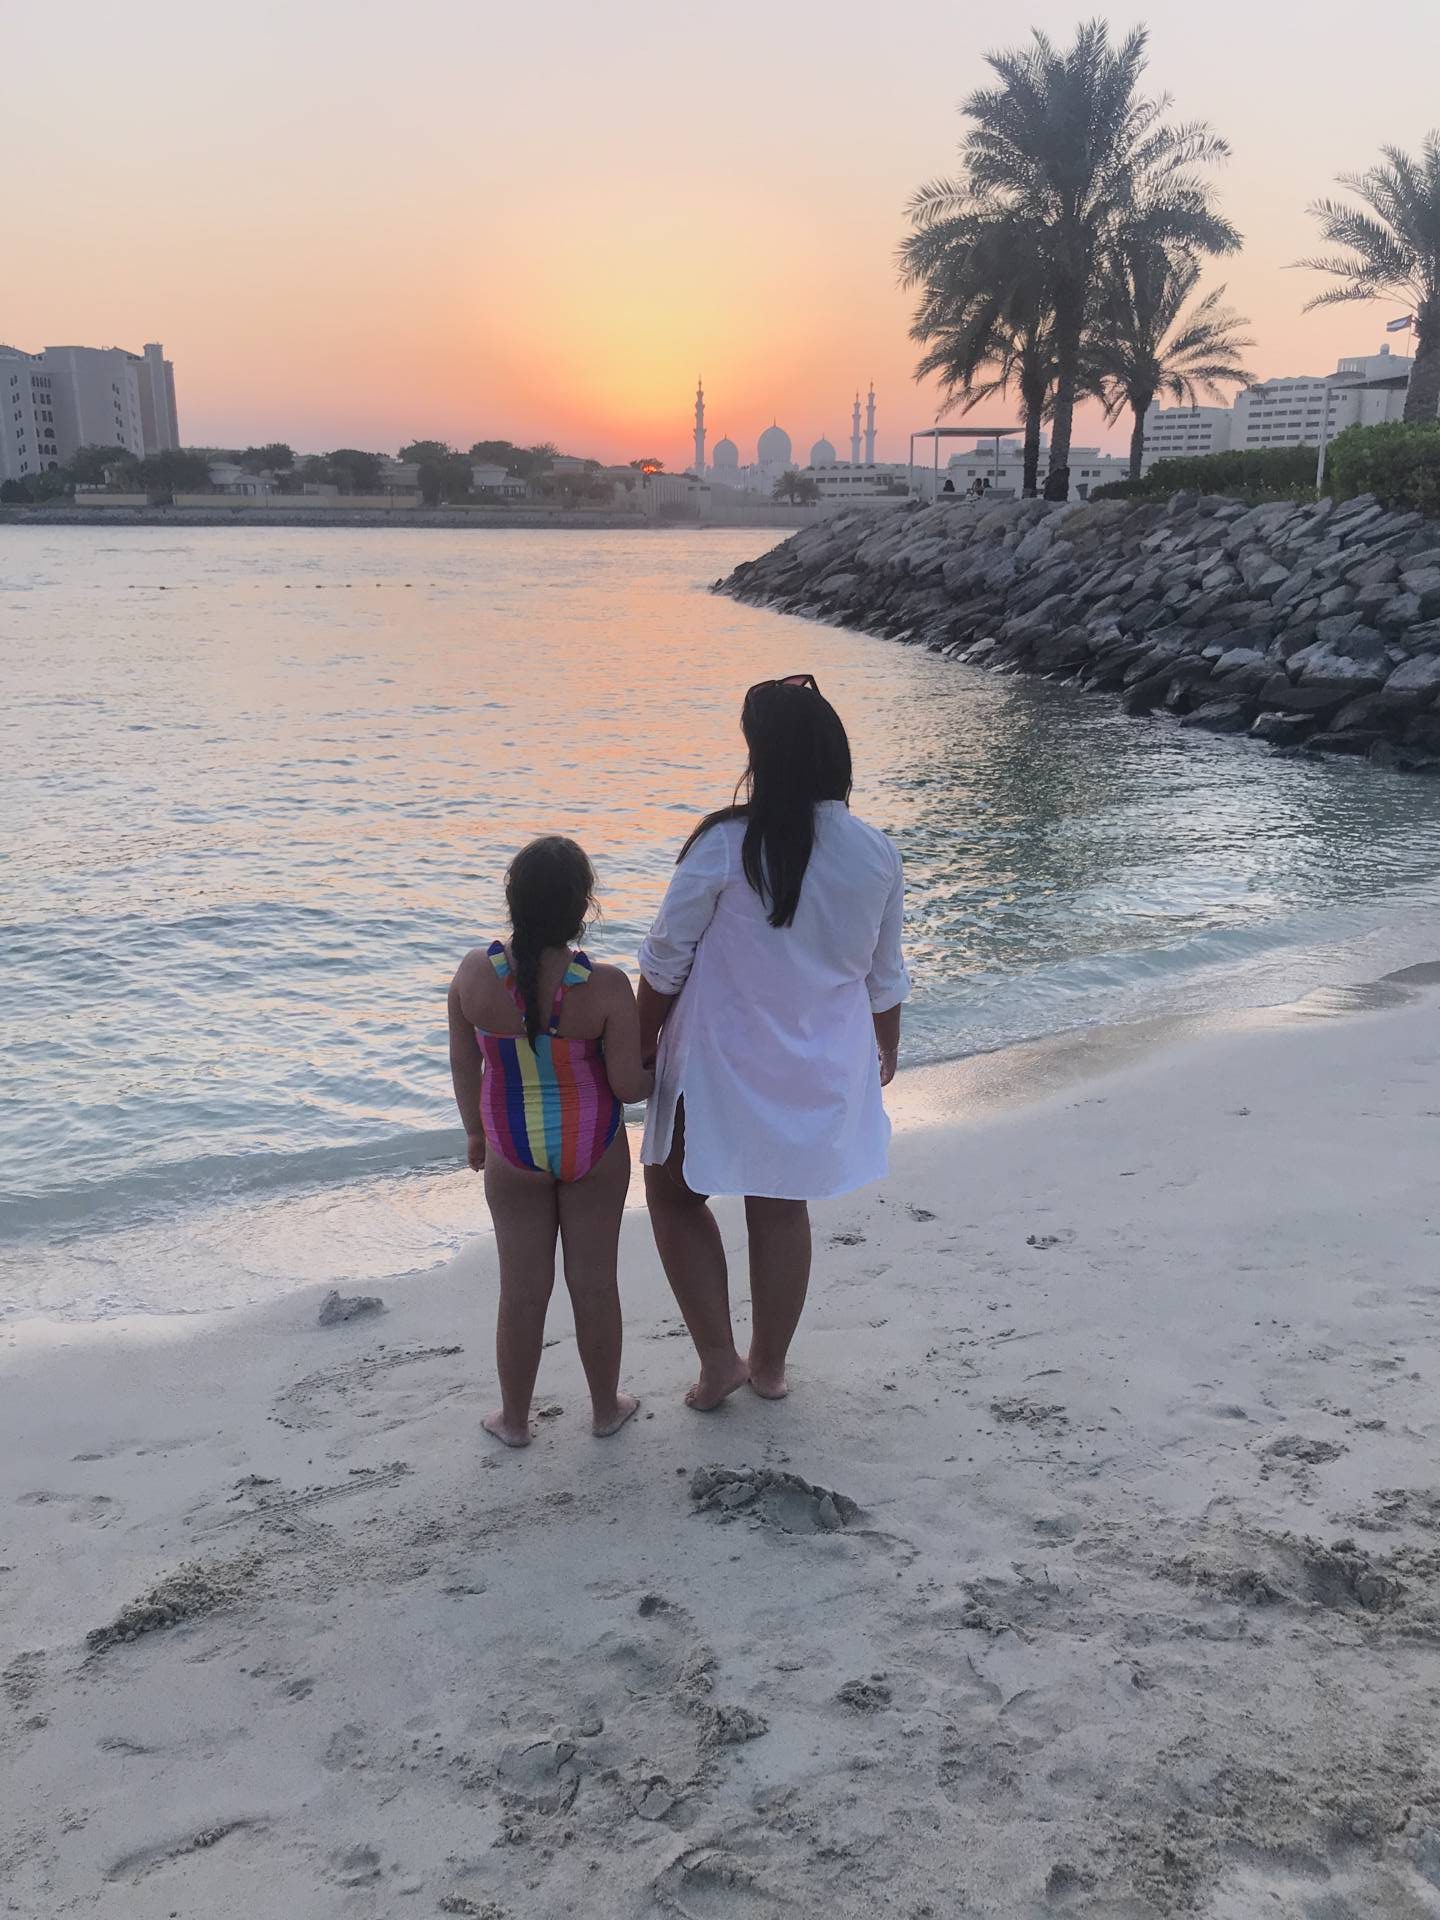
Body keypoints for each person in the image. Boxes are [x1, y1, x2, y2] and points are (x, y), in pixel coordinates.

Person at [638, 676, 909, 1410]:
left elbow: (665, 960)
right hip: (819, 1061)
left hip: (721, 1059)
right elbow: (884, 979)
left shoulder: (727, 844)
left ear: (767, 759)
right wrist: (884, 1055)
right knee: (781, 1205)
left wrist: (637, 1046)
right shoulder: (875, 852)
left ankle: (720, 1360)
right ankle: (769, 1366)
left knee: (672, 1194)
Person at [448, 836, 653, 1448]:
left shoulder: (475, 974)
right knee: (594, 1281)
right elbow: (627, 1087)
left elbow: (465, 1065)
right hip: (591, 1148)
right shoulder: (608, 986)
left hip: (511, 1148)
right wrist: (667, 1060)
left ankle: (513, 1420)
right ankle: (604, 1410)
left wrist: (475, 1132)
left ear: (512, 900)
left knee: (522, 1288)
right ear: (582, 907)